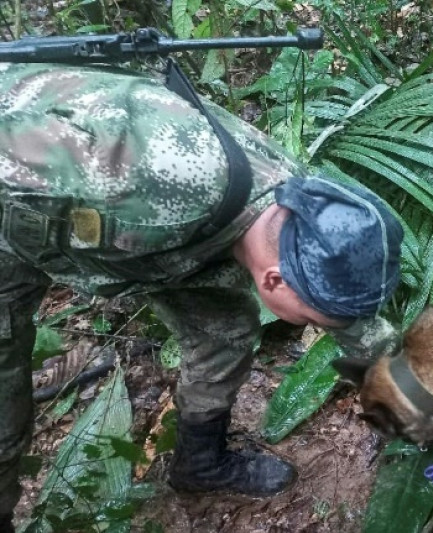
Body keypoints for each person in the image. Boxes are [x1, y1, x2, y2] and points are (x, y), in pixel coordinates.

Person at [0, 61, 403, 531]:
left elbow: (347, 311)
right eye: (315, 320)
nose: (322, 326)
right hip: (18, 212)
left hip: (144, 235)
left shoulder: (301, 208)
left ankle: (199, 464)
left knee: (224, 332)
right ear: (274, 281)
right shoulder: (140, 193)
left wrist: (410, 387)